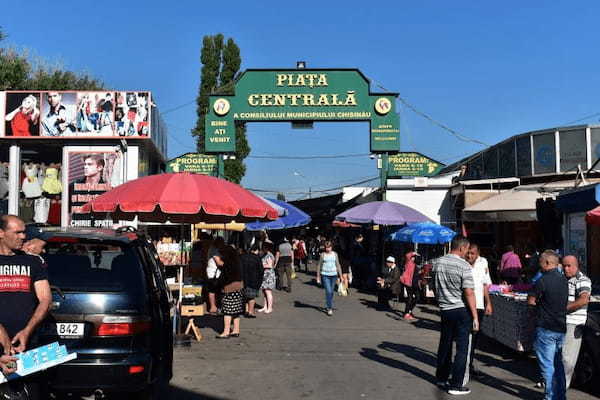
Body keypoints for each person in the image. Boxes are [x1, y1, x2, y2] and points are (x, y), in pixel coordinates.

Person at [0, 215, 52, 398]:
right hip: (2, 346)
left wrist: (27, 331)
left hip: (27, 348)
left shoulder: (32, 262)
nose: (23, 237)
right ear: (1, 233)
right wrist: (3, 339)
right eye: (18, 232)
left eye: (24, 232)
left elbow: (45, 299)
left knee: (30, 394)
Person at [433, 236, 478, 396]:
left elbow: (434, 285)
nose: (467, 253)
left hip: (445, 308)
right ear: (462, 248)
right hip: (460, 309)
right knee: (462, 348)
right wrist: (475, 316)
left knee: (445, 343)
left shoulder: (437, 262)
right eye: (466, 250)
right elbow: (469, 292)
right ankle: (456, 384)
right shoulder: (463, 265)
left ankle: (441, 377)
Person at [527, 250, 568, 400]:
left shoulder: (542, 280)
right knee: (558, 365)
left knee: (548, 366)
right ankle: (560, 396)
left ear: (547, 263)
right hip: (560, 327)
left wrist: (533, 313)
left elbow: (531, 301)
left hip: (545, 327)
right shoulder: (564, 280)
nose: (539, 266)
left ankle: (550, 396)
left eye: (540, 263)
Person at [562, 255, 591, 389]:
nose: (566, 268)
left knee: (567, 359)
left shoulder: (582, 280)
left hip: (573, 323)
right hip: (562, 322)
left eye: (569, 266)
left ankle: (560, 389)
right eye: (564, 265)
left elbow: (584, 299)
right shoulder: (565, 279)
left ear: (576, 266)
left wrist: (563, 309)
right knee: (560, 356)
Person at [465, 243, 493, 378]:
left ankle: (468, 364)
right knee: (465, 336)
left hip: (479, 305)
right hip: (465, 305)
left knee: (475, 336)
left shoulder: (483, 263)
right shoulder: (462, 264)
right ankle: (464, 365)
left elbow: (485, 285)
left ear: (478, 254)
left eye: (473, 253)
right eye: (468, 253)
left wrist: (488, 303)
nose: (470, 255)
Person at [215, 246, 243, 339]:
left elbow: (225, 277)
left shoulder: (228, 263)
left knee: (227, 310)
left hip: (229, 288)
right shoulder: (237, 260)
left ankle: (226, 332)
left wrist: (219, 284)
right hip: (239, 286)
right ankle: (236, 330)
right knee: (236, 310)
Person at [316, 241, 343, 316]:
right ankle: (329, 308)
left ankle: (328, 303)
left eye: (329, 247)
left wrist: (341, 276)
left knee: (331, 292)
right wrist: (318, 276)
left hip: (334, 275)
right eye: (326, 247)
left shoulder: (335, 254)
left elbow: (338, 265)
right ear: (325, 247)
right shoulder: (322, 255)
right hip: (325, 275)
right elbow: (319, 266)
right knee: (328, 291)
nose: (328, 249)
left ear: (331, 247)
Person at [240, 245, 263, 318]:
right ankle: (251, 312)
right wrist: (260, 281)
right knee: (251, 297)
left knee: (245, 296)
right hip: (254, 280)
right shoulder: (257, 258)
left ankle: (246, 310)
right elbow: (261, 271)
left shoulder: (241, 257)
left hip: (243, 279)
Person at [400, 245, 420, 321]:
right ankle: (406, 314)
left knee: (417, 297)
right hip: (408, 282)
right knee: (410, 298)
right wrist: (413, 253)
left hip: (414, 283)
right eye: (414, 257)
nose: (415, 258)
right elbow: (408, 255)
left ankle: (409, 311)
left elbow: (415, 274)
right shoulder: (408, 262)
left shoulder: (415, 264)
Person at [258, 242, 276, 314]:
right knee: (264, 292)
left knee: (268, 292)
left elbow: (270, 266)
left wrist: (261, 265)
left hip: (269, 275)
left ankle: (270, 308)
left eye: (264, 247)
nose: (263, 248)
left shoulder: (269, 255)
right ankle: (265, 306)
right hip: (265, 275)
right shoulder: (264, 254)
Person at [206, 250, 223, 315]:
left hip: (214, 274)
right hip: (213, 274)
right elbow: (219, 262)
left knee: (214, 291)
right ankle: (213, 307)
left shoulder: (215, 249)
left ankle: (215, 307)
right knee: (212, 291)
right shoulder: (214, 250)